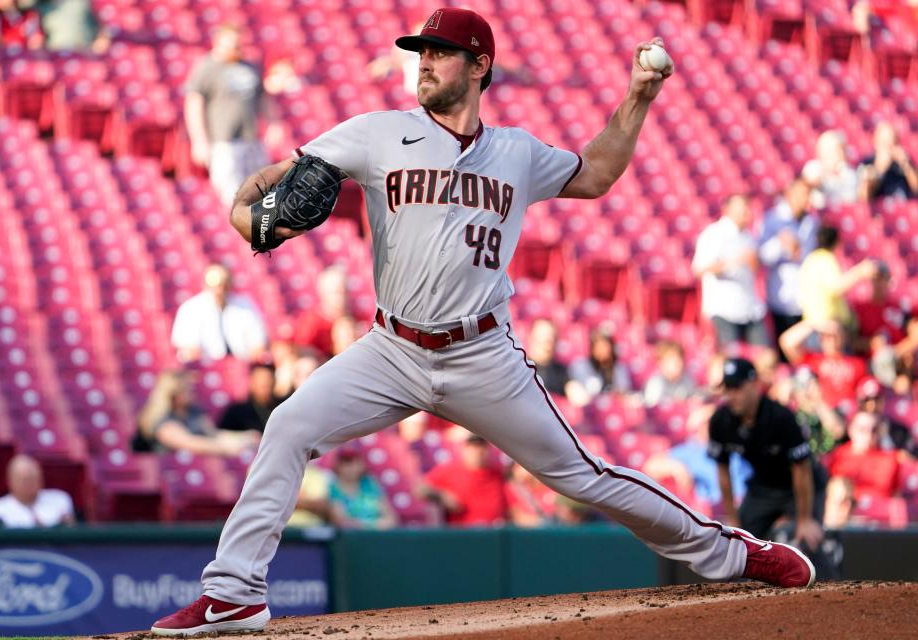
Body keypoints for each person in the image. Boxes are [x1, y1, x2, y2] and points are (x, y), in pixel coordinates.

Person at [152, 11, 813, 636]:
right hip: (392, 347)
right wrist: (246, 210)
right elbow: (284, 182)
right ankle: (235, 592)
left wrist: (638, 96)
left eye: (441, 53)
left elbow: (599, 173)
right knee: (290, 425)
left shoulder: (516, 153)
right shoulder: (377, 131)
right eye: (422, 53)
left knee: (581, 475)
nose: (426, 63)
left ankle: (733, 554)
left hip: (482, 353)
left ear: (479, 66)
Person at [709, 358, 825, 551]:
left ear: (755, 385)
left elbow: (802, 469)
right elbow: (722, 470)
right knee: (738, 545)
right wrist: (733, 518)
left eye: (737, 388)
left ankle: (831, 578)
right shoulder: (720, 420)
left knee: (809, 540)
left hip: (801, 487)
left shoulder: (781, 417)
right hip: (763, 487)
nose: (731, 395)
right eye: (727, 388)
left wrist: (804, 519)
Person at [185, 23, 276, 206]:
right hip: (223, 141)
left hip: (251, 139)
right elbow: (194, 104)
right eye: (232, 45)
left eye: (238, 45)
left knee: (262, 189)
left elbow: (263, 98)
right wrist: (199, 140)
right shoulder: (207, 68)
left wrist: (275, 122)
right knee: (232, 195)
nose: (236, 49)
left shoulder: (249, 67)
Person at [691, 194, 768, 348]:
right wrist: (732, 262)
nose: (747, 212)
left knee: (764, 357)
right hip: (724, 308)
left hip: (749, 307)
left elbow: (754, 268)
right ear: (727, 210)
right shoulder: (714, 234)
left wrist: (753, 262)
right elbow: (699, 269)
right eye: (742, 208)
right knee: (731, 356)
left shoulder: (748, 235)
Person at [136, 370, 260, 456]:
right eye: (188, 389)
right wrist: (229, 449)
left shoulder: (194, 412)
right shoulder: (163, 421)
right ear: (174, 394)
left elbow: (213, 434)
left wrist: (244, 437)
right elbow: (190, 443)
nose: (193, 392)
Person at [758, 178, 819, 350]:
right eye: (802, 194)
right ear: (789, 195)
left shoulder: (812, 221)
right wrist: (780, 244)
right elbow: (762, 256)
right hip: (781, 297)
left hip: (805, 298)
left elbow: (810, 254)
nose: (806, 199)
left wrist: (796, 249)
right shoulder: (772, 219)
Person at [171, 264, 268, 363]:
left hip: (242, 363)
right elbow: (188, 346)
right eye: (216, 285)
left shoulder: (245, 305)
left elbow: (257, 343)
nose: (220, 290)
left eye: (223, 284)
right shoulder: (190, 308)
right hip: (206, 365)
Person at [798, 225, 876, 330]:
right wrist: (860, 272)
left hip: (813, 321)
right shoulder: (825, 259)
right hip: (826, 325)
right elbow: (836, 287)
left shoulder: (810, 259)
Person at [418, 434, 508, 526]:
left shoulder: (498, 473)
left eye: (481, 447)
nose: (478, 452)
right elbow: (421, 489)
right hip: (462, 533)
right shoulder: (450, 470)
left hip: (494, 532)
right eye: (473, 447)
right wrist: (442, 496)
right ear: (464, 449)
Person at [780, 319, 868, 411]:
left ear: (843, 336)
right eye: (825, 335)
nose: (830, 339)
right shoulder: (814, 360)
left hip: (848, 412)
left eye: (835, 335)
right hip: (820, 410)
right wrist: (812, 324)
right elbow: (787, 343)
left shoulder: (858, 363)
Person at [827, 412, 902, 499]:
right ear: (851, 430)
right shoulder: (837, 456)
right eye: (862, 429)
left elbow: (896, 497)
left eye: (874, 430)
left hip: (879, 509)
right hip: (847, 509)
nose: (868, 434)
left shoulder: (891, 459)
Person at [0, 454, 75, 528]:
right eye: (25, 480)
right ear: (11, 481)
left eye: (34, 478)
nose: (30, 484)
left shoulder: (60, 499)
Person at [327, 447, 397, 529]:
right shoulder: (331, 487)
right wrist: (374, 524)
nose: (352, 467)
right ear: (338, 465)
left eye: (356, 462)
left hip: (375, 537)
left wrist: (366, 525)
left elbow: (391, 519)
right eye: (347, 462)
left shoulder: (370, 484)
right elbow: (340, 521)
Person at [295, 266, 350, 358]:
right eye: (337, 292)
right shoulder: (311, 321)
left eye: (344, 291)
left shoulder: (353, 317)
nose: (342, 297)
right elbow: (303, 349)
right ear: (323, 293)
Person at [524, 318, 584, 401]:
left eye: (552, 337)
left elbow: (577, 395)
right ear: (530, 337)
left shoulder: (560, 371)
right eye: (542, 337)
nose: (548, 341)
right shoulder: (521, 369)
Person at [858, 121, 917, 201]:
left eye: (891, 141)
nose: (887, 145)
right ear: (875, 141)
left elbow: (916, 189)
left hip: (902, 207)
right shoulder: (867, 162)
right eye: (884, 141)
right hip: (879, 210)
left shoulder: (904, 162)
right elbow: (863, 198)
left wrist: (905, 165)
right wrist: (879, 169)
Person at [568, 328, 633, 399]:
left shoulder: (619, 368)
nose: (601, 350)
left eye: (604, 345)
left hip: (612, 404)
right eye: (597, 346)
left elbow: (623, 390)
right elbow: (584, 389)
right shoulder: (581, 365)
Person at [800, 130, 858, 208]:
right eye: (838, 150)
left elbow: (851, 199)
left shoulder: (850, 173)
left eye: (843, 149)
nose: (842, 154)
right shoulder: (813, 168)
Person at [218, 363, 282, 434]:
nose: (265, 382)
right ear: (252, 381)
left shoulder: (281, 408)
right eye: (260, 379)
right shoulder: (237, 411)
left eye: (269, 378)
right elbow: (222, 435)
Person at [36, 0, 110, 53]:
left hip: (83, 52)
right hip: (56, 56)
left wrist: (101, 40)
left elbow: (101, 27)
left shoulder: (81, 3)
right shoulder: (41, 7)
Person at [643, 340, 697, 406]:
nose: (677, 362)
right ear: (661, 362)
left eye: (679, 357)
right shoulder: (656, 383)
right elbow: (651, 408)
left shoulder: (687, 379)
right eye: (671, 358)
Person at [505, 461, 558, 526]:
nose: (521, 470)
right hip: (530, 532)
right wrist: (546, 521)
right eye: (517, 467)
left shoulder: (550, 484)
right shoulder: (512, 488)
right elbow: (519, 518)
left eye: (522, 466)